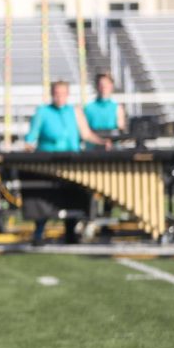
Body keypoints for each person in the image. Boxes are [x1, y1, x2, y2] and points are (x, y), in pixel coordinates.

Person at [24, 80, 111, 246]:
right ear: (52, 94)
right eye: (57, 93)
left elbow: (85, 134)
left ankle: (71, 231)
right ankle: (39, 232)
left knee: (75, 195)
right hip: (47, 162)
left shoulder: (75, 111)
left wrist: (102, 142)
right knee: (43, 196)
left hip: (72, 161)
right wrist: (28, 148)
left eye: (63, 93)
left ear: (68, 94)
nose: (60, 97)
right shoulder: (42, 111)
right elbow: (31, 137)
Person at [82, 72, 126, 149]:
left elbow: (120, 130)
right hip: (93, 148)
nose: (104, 87)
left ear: (111, 86)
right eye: (101, 84)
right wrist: (100, 141)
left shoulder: (117, 108)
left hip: (112, 148)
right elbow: (85, 132)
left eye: (106, 84)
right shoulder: (88, 108)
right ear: (97, 86)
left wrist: (110, 142)